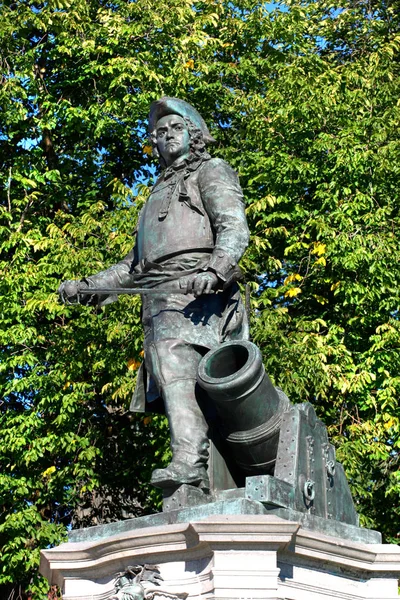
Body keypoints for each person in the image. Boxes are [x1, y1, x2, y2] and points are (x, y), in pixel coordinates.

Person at [58, 97, 250, 492]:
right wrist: (89, 287)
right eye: (158, 134)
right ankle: (194, 458)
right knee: (168, 369)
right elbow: (133, 267)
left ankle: (189, 460)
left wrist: (215, 270)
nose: (165, 138)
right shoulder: (154, 194)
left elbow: (234, 227)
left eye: (174, 129)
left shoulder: (210, 171)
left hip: (201, 292)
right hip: (159, 297)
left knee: (170, 355)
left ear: (193, 134)